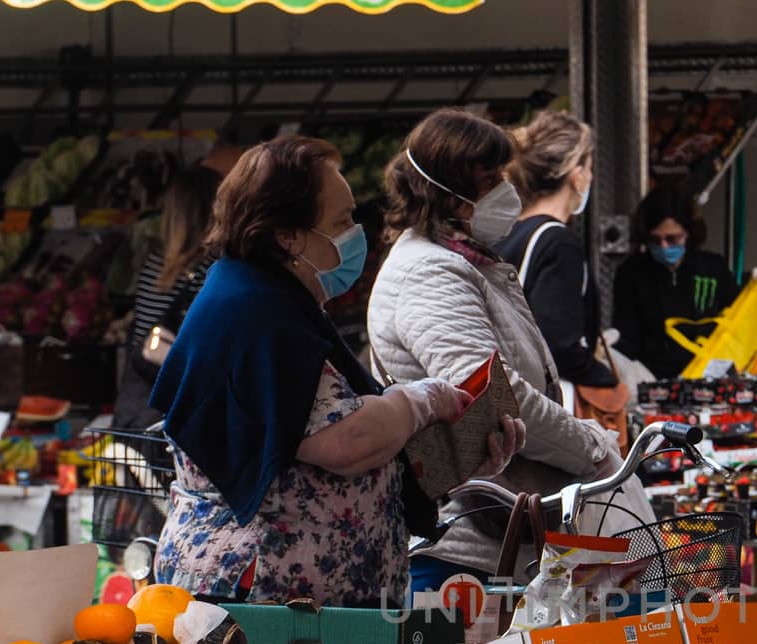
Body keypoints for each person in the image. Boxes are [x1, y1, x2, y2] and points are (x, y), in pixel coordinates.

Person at [148, 135, 522, 608]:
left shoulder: (275, 301)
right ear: (288, 234)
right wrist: (422, 399)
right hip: (259, 595)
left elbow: (316, 427)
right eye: (341, 221)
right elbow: (344, 441)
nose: (355, 232)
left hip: (301, 598)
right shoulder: (257, 313)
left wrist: (458, 454)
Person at [369, 108, 643, 596]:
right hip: (462, 549)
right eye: (490, 179)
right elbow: (494, 394)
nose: (505, 190)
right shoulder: (428, 274)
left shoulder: (469, 263)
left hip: (499, 536)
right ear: (448, 192)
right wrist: (592, 446)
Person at [495, 111, 617, 391]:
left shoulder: (506, 233)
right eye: (589, 167)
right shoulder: (558, 243)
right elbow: (557, 343)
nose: (591, 176)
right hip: (547, 399)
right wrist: (605, 380)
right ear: (576, 176)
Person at [115, 164, 221, 430]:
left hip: (142, 405)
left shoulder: (154, 266)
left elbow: (140, 337)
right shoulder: (214, 270)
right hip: (185, 409)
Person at [611, 186, 739, 381]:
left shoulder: (713, 268)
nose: (664, 246)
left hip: (709, 378)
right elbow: (627, 335)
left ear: (689, 232)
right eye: (655, 240)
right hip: (651, 379)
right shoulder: (631, 272)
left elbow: (738, 320)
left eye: (672, 238)